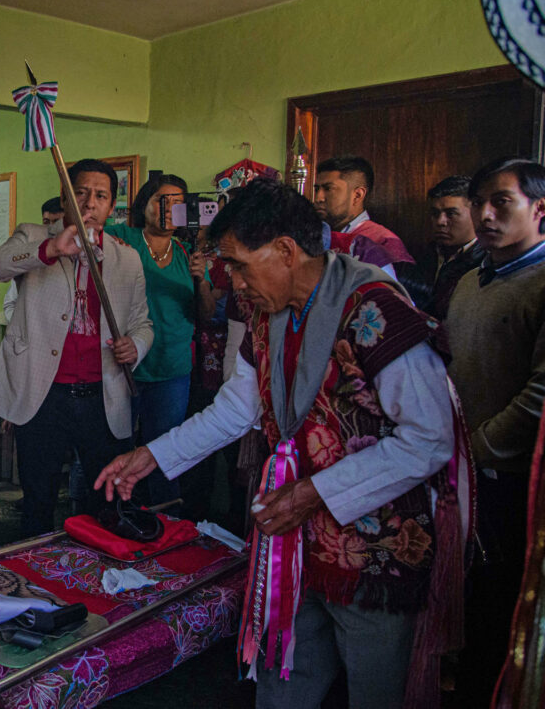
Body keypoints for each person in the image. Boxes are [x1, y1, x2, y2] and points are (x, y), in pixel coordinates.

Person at [96, 178, 460, 708]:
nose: (233, 282)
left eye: (240, 264)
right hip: (292, 540)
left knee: (379, 691)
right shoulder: (270, 315)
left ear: (287, 250)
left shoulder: (376, 310)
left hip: (374, 550)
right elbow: (237, 409)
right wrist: (150, 456)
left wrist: (314, 493)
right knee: (283, 682)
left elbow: (429, 439)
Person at [0, 158, 153, 537]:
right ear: (65, 196)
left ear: (112, 206)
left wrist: (136, 345)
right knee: (37, 499)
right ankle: (34, 580)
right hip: (42, 396)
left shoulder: (127, 257)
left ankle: (91, 578)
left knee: (102, 502)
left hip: (103, 397)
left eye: (101, 196)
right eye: (81, 192)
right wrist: (50, 248)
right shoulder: (33, 235)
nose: (90, 203)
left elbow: (143, 321)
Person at [447, 157, 545, 706]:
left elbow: (540, 395)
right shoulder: (469, 280)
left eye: (501, 202)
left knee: (497, 613)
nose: (484, 215)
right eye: (479, 201)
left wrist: (479, 448)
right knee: (461, 601)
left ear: (540, 208)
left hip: (508, 477)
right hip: (457, 466)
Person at [104, 174, 194, 507]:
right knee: (112, 447)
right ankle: (101, 516)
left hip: (171, 367)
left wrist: (201, 279)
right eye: (162, 200)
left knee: (165, 453)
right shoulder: (121, 237)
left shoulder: (187, 252)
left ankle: (165, 523)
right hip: (121, 363)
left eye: (178, 203)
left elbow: (204, 310)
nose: (170, 209)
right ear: (144, 204)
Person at [313, 155, 414, 268]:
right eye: (317, 189)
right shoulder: (313, 235)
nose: (318, 198)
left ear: (357, 195)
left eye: (328, 189)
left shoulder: (383, 241)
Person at [424, 175, 483, 321]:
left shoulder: (487, 261)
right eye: (435, 214)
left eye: (451, 214)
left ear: (475, 213)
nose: (440, 222)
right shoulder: (423, 254)